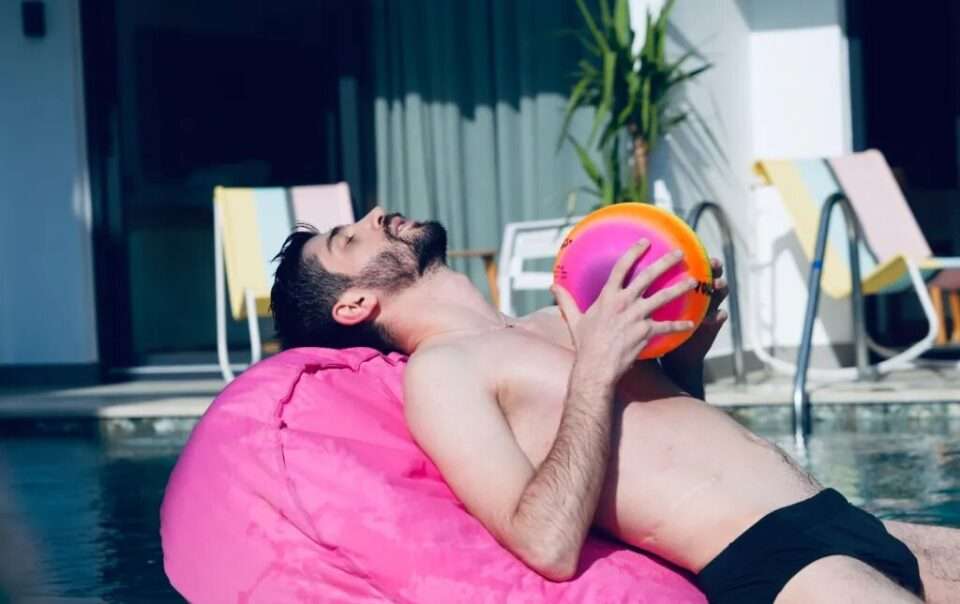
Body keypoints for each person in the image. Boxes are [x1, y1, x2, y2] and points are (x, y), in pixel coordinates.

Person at [270, 207, 960, 603]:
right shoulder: (443, 373)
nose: (372, 217)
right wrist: (597, 366)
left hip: (848, 520)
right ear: (354, 303)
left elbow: (665, 447)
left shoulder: (552, 317)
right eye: (348, 239)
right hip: (780, 568)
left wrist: (687, 358)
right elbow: (545, 543)